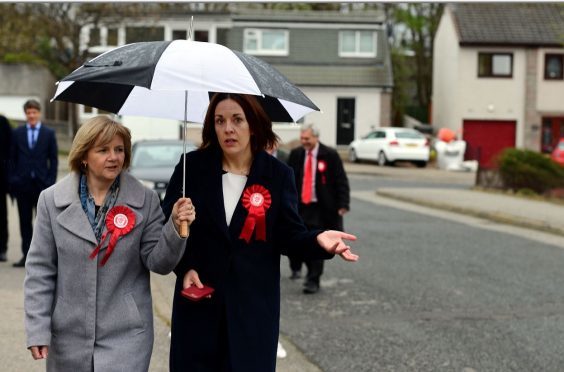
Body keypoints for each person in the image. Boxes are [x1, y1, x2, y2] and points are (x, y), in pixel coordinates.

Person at [162, 93, 358, 372]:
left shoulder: (277, 175)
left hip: (252, 315)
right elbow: (165, 228)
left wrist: (318, 240)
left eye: (237, 119)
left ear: (253, 125)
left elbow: (290, 236)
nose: (228, 128)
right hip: (199, 311)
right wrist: (185, 266)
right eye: (219, 121)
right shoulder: (191, 168)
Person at [24, 115, 195, 371]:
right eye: (103, 150)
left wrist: (175, 227)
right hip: (68, 337)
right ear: (83, 156)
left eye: (119, 150)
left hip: (127, 338)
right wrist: (37, 328)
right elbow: (40, 270)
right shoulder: (51, 201)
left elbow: (158, 262)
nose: (114, 157)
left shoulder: (145, 200)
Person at [288, 123, 350, 294]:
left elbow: (340, 180)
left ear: (316, 137)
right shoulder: (296, 154)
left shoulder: (329, 155)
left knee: (319, 241)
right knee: (301, 240)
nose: (304, 141)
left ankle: (313, 278)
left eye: (307, 138)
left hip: (321, 208)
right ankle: (305, 269)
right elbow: (288, 179)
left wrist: (343, 204)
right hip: (300, 207)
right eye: (302, 138)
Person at [8, 99, 58, 267]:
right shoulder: (17, 133)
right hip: (22, 186)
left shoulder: (49, 134)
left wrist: (51, 181)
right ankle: (26, 255)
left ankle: (44, 258)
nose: (31, 115)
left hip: (42, 185)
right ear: (25, 114)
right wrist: (13, 179)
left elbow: (54, 160)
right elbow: (12, 159)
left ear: (39, 113)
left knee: (43, 223)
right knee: (24, 222)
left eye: (34, 112)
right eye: (29, 112)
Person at [0, 114, 11, 262]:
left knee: (1, 215)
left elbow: (10, 150)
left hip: (0, 180)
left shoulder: (2, 122)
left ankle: (2, 248)